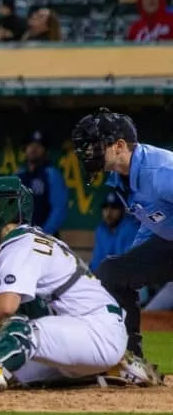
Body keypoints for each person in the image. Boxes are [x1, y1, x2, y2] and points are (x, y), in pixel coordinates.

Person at [0, 176, 162, 390]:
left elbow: (4, 305)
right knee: (16, 373)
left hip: (95, 330)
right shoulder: (33, 238)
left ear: (8, 209)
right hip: (86, 333)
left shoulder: (18, 243)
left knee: (18, 330)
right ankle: (107, 369)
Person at [71, 107, 173, 364]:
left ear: (119, 145)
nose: (88, 152)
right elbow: (151, 221)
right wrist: (133, 263)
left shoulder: (161, 172)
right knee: (115, 273)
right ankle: (131, 360)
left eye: (95, 145)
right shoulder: (121, 178)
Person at [16, 131, 68, 237]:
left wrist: (43, 234)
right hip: (20, 236)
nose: (33, 149)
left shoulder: (51, 174)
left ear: (45, 150)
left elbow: (58, 209)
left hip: (44, 238)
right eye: (30, 145)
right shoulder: (18, 175)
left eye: (38, 146)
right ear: (25, 148)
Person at [89, 191, 138, 272]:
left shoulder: (131, 228)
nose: (109, 213)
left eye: (114, 208)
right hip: (106, 279)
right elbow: (96, 262)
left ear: (123, 210)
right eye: (106, 208)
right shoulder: (101, 230)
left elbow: (128, 265)